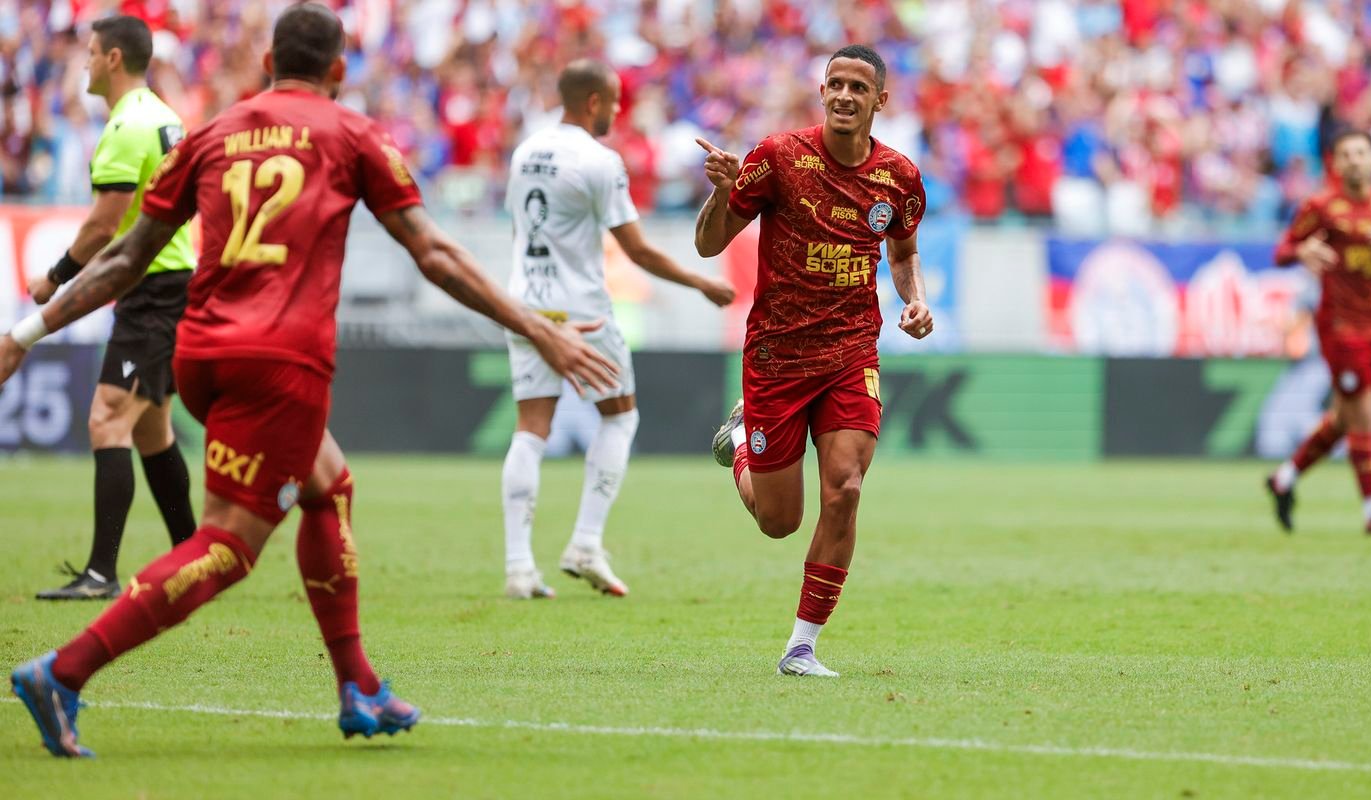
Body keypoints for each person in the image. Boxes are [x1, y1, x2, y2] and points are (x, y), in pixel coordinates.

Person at [2, 2, 617, 758]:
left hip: (201, 353)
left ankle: (359, 686)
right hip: (279, 360)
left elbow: (127, 257)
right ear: (339, 70)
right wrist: (538, 328)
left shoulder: (212, 133)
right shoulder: (352, 134)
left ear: (268, 64)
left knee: (328, 485)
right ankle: (63, 672)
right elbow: (433, 254)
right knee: (228, 545)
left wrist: (23, 334)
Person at [696, 44, 932, 677]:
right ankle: (741, 440)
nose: (845, 96)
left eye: (858, 87)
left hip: (852, 351)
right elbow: (708, 244)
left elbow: (904, 254)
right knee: (779, 521)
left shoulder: (900, 178)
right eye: (835, 84)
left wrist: (915, 299)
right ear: (822, 92)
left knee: (846, 488)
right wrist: (722, 192)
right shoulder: (778, 157)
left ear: (881, 100)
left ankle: (801, 647)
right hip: (777, 355)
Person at [500, 59, 734, 600]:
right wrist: (699, 281)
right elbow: (638, 251)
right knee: (620, 417)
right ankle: (585, 543)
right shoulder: (599, 161)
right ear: (593, 102)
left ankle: (518, 568)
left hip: (527, 308)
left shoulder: (525, 152)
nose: (618, 110)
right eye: (613, 102)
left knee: (530, 430)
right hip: (582, 313)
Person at [32, 16, 197, 601]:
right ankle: (195, 555)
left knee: (107, 418)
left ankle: (101, 574)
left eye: (90, 52)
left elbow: (104, 225)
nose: (84, 62)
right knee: (151, 428)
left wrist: (55, 278)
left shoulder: (127, 126)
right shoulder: (165, 116)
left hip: (151, 289)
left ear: (113, 58)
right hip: (170, 281)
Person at [1266, 129, 1371, 535]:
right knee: (1364, 415)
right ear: (1335, 162)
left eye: (1361, 153)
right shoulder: (1321, 206)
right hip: (1338, 325)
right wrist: (1301, 251)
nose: (1354, 161)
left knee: (1344, 418)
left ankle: (1283, 479)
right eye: (1346, 154)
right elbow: (1281, 251)